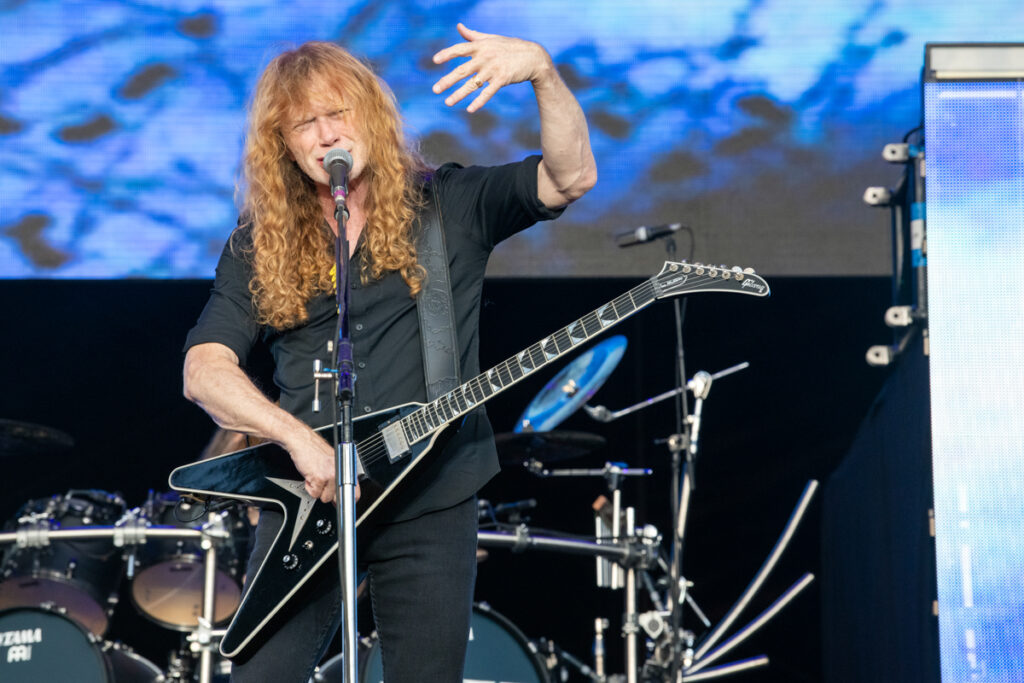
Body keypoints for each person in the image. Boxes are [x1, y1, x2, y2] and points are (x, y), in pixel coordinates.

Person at [182, 22, 596, 683]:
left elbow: (570, 178)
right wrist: (299, 440)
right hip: (309, 498)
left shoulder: (450, 205)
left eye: (338, 113)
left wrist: (544, 72)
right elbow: (204, 371)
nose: (326, 135)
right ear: (283, 144)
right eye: (305, 124)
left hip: (431, 495)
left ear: (371, 116)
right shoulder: (258, 244)